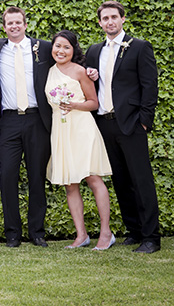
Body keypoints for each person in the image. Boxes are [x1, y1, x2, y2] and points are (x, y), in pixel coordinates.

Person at [86, 0, 160, 253]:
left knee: (142, 180)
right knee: (120, 180)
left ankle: (151, 237)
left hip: (131, 124)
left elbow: (150, 87)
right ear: (100, 22)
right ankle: (134, 231)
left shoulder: (139, 47)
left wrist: (144, 122)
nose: (110, 22)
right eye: (105, 18)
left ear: (122, 19)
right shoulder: (95, 51)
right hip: (105, 124)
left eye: (114, 17)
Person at [0, 6, 52, 248]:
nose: (14, 27)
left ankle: (37, 232)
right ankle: (12, 234)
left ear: (25, 24)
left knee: (36, 176)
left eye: (18, 22)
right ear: (4, 27)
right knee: (8, 177)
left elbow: (69, 57)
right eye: (9, 23)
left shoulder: (43, 47)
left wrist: (88, 70)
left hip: (37, 120)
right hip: (9, 121)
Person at [45, 30, 114, 250]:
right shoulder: (48, 72)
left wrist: (74, 105)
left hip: (82, 127)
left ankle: (106, 233)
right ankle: (81, 235)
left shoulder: (81, 72)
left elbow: (94, 102)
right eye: (57, 46)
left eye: (66, 47)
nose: (61, 51)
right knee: (70, 183)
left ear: (73, 50)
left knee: (93, 178)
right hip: (61, 129)